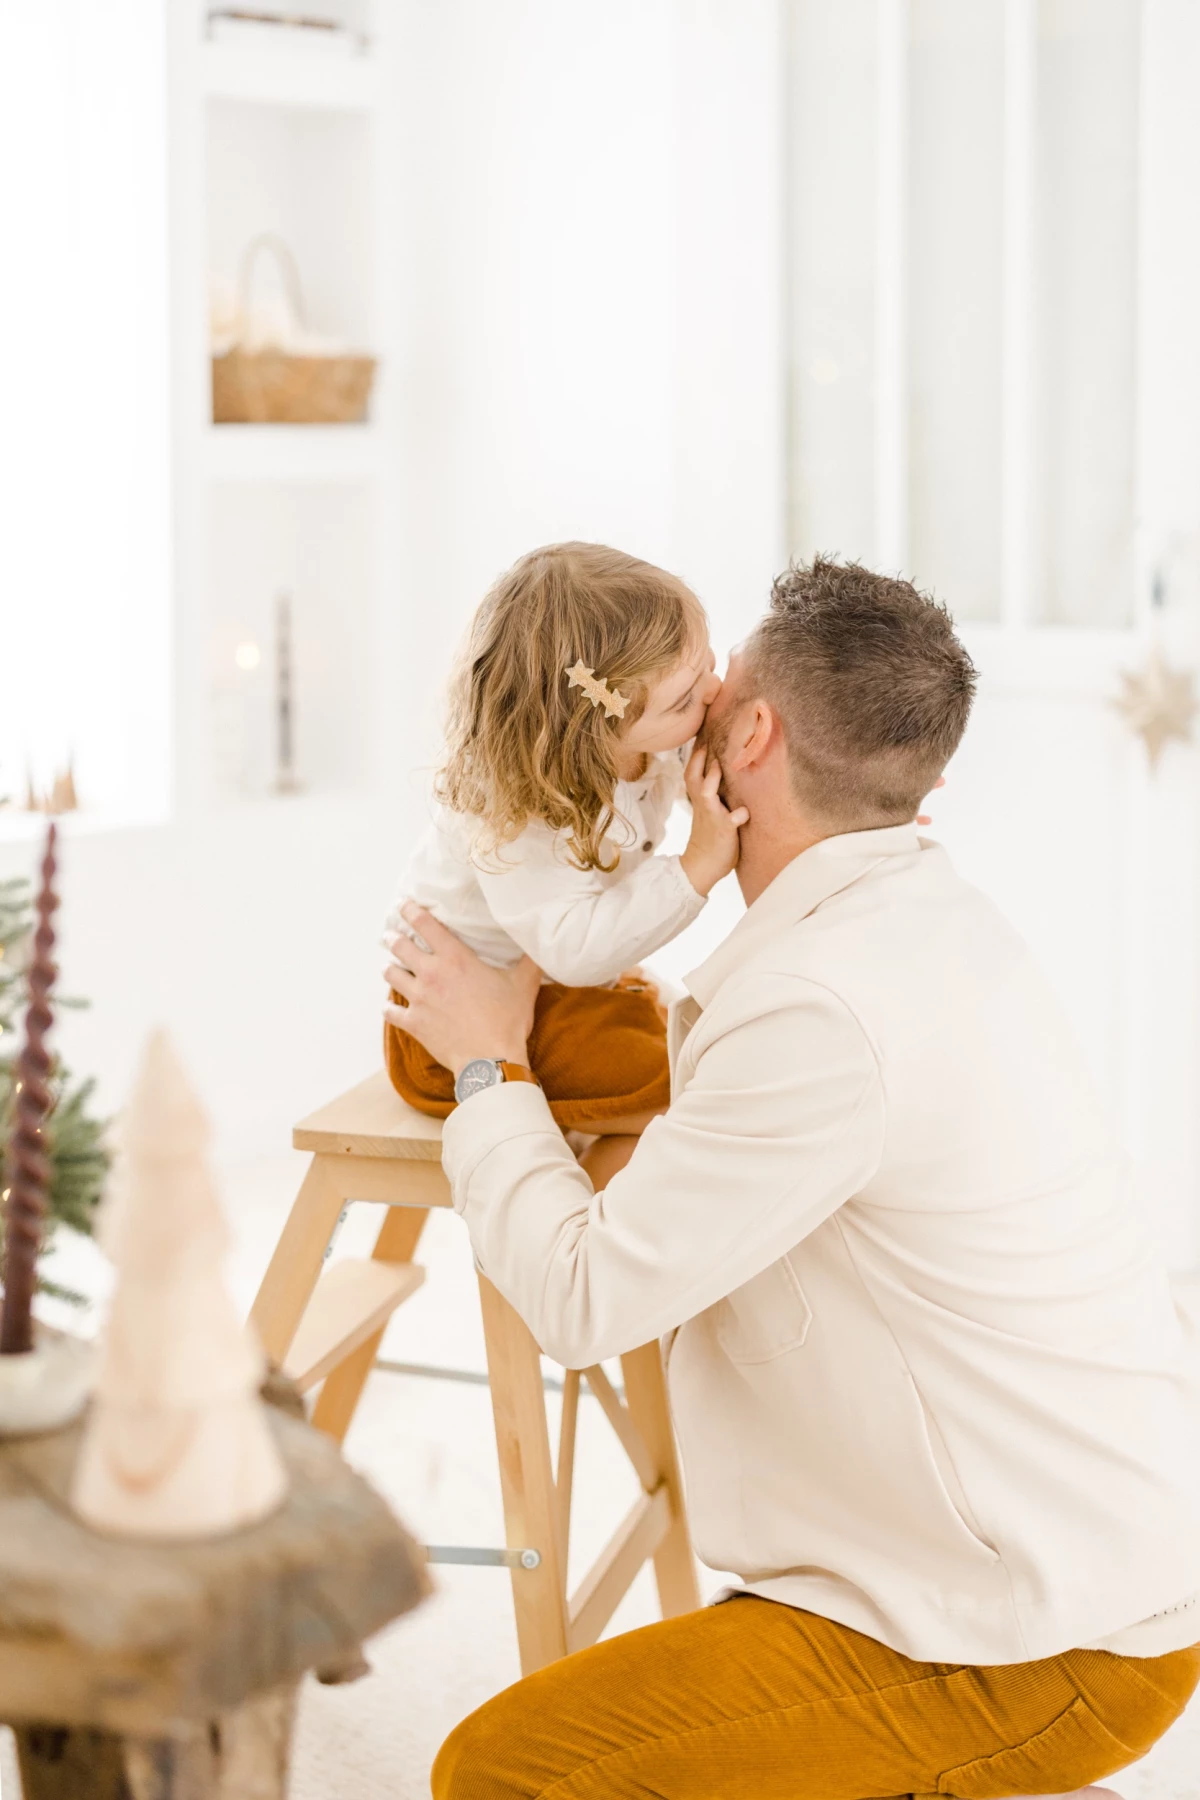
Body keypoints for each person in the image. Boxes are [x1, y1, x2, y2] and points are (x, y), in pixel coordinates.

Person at [386, 558, 1200, 1800]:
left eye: (712, 692)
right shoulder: (923, 919)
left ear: (753, 736)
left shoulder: (819, 1011)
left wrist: (487, 1063)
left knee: (504, 1773)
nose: (697, 705)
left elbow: (581, 1298)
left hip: (1044, 1637)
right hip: (1077, 1553)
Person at [383, 540, 741, 1190]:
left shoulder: (642, 736)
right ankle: (585, 1227)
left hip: (547, 983)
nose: (713, 695)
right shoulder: (524, 815)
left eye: (708, 667)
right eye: (686, 699)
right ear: (591, 731)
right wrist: (696, 867)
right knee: (690, 1092)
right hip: (452, 1021)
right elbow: (575, 951)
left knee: (710, 1056)